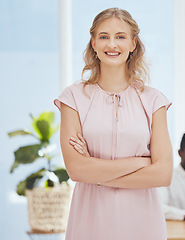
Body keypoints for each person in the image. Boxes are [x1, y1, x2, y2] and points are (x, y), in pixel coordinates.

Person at [54, 8, 173, 240]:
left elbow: (163, 174)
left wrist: (95, 172)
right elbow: (76, 170)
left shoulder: (154, 100)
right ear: (94, 43)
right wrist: (142, 162)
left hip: (143, 222)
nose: (112, 44)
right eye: (104, 36)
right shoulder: (73, 98)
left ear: (133, 44)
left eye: (120, 36)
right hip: (90, 220)